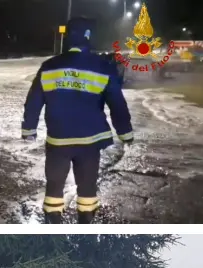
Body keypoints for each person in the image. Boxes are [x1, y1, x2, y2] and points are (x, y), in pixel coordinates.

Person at [21, 16, 133, 224]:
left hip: (58, 141)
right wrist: (125, 133)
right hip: (89, 142)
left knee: (54, 185)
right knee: (87, 186)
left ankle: (53, 225)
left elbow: (33, 101)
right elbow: (118, 104)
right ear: (88, 38)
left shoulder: (49, 66)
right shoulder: (102, 67)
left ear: (67, 39)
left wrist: (29, 129)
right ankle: (85, 224)